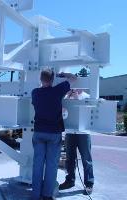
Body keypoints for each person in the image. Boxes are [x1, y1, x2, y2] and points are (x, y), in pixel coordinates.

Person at [31, 68, 76, 200]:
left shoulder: (35, 93)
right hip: (54, 133)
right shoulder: (58, 90)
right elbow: (74, 78)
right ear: (52, 80)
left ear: (40, 79)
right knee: (51, 165)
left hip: (39, 132)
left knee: (37, 165)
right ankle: (47, 195)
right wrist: (62, 75)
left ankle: (35, 195)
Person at [59, 89, 94, 195]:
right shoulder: (67, 96)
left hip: (84, 133)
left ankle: (89, 183)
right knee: (69, 158)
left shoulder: (87, 96)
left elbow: (90, 111)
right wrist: (68, 96)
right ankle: (70, 181)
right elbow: (63, 110)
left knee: (86, 159)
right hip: (70, 132)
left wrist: (77, 97)